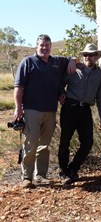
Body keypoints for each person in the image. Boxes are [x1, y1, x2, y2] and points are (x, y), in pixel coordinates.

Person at [14, 34, 76, 188]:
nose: (44, 48)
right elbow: (18, 87)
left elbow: (72, 59)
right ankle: (26, 178)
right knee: (30, 143)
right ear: (36, 46)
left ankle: (41, 176)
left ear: (51, 47)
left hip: (50, 110)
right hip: (31, 110)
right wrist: (18, 108)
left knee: (44, 145)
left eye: (47, 45)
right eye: (41, 45)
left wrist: (73, 60)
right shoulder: (27, 62)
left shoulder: (57, 62)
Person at [58, 43, 101, 184]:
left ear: (96, 57)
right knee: (65, 141)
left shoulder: (99, 74)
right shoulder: (74, 69)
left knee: (87, 142)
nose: (87, 57)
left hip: (85, 110)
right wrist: (61, 93)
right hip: (69, 107)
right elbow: (61, 83)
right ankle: (63, 172)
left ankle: (73, 168)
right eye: (85, 54)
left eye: (91, 55)